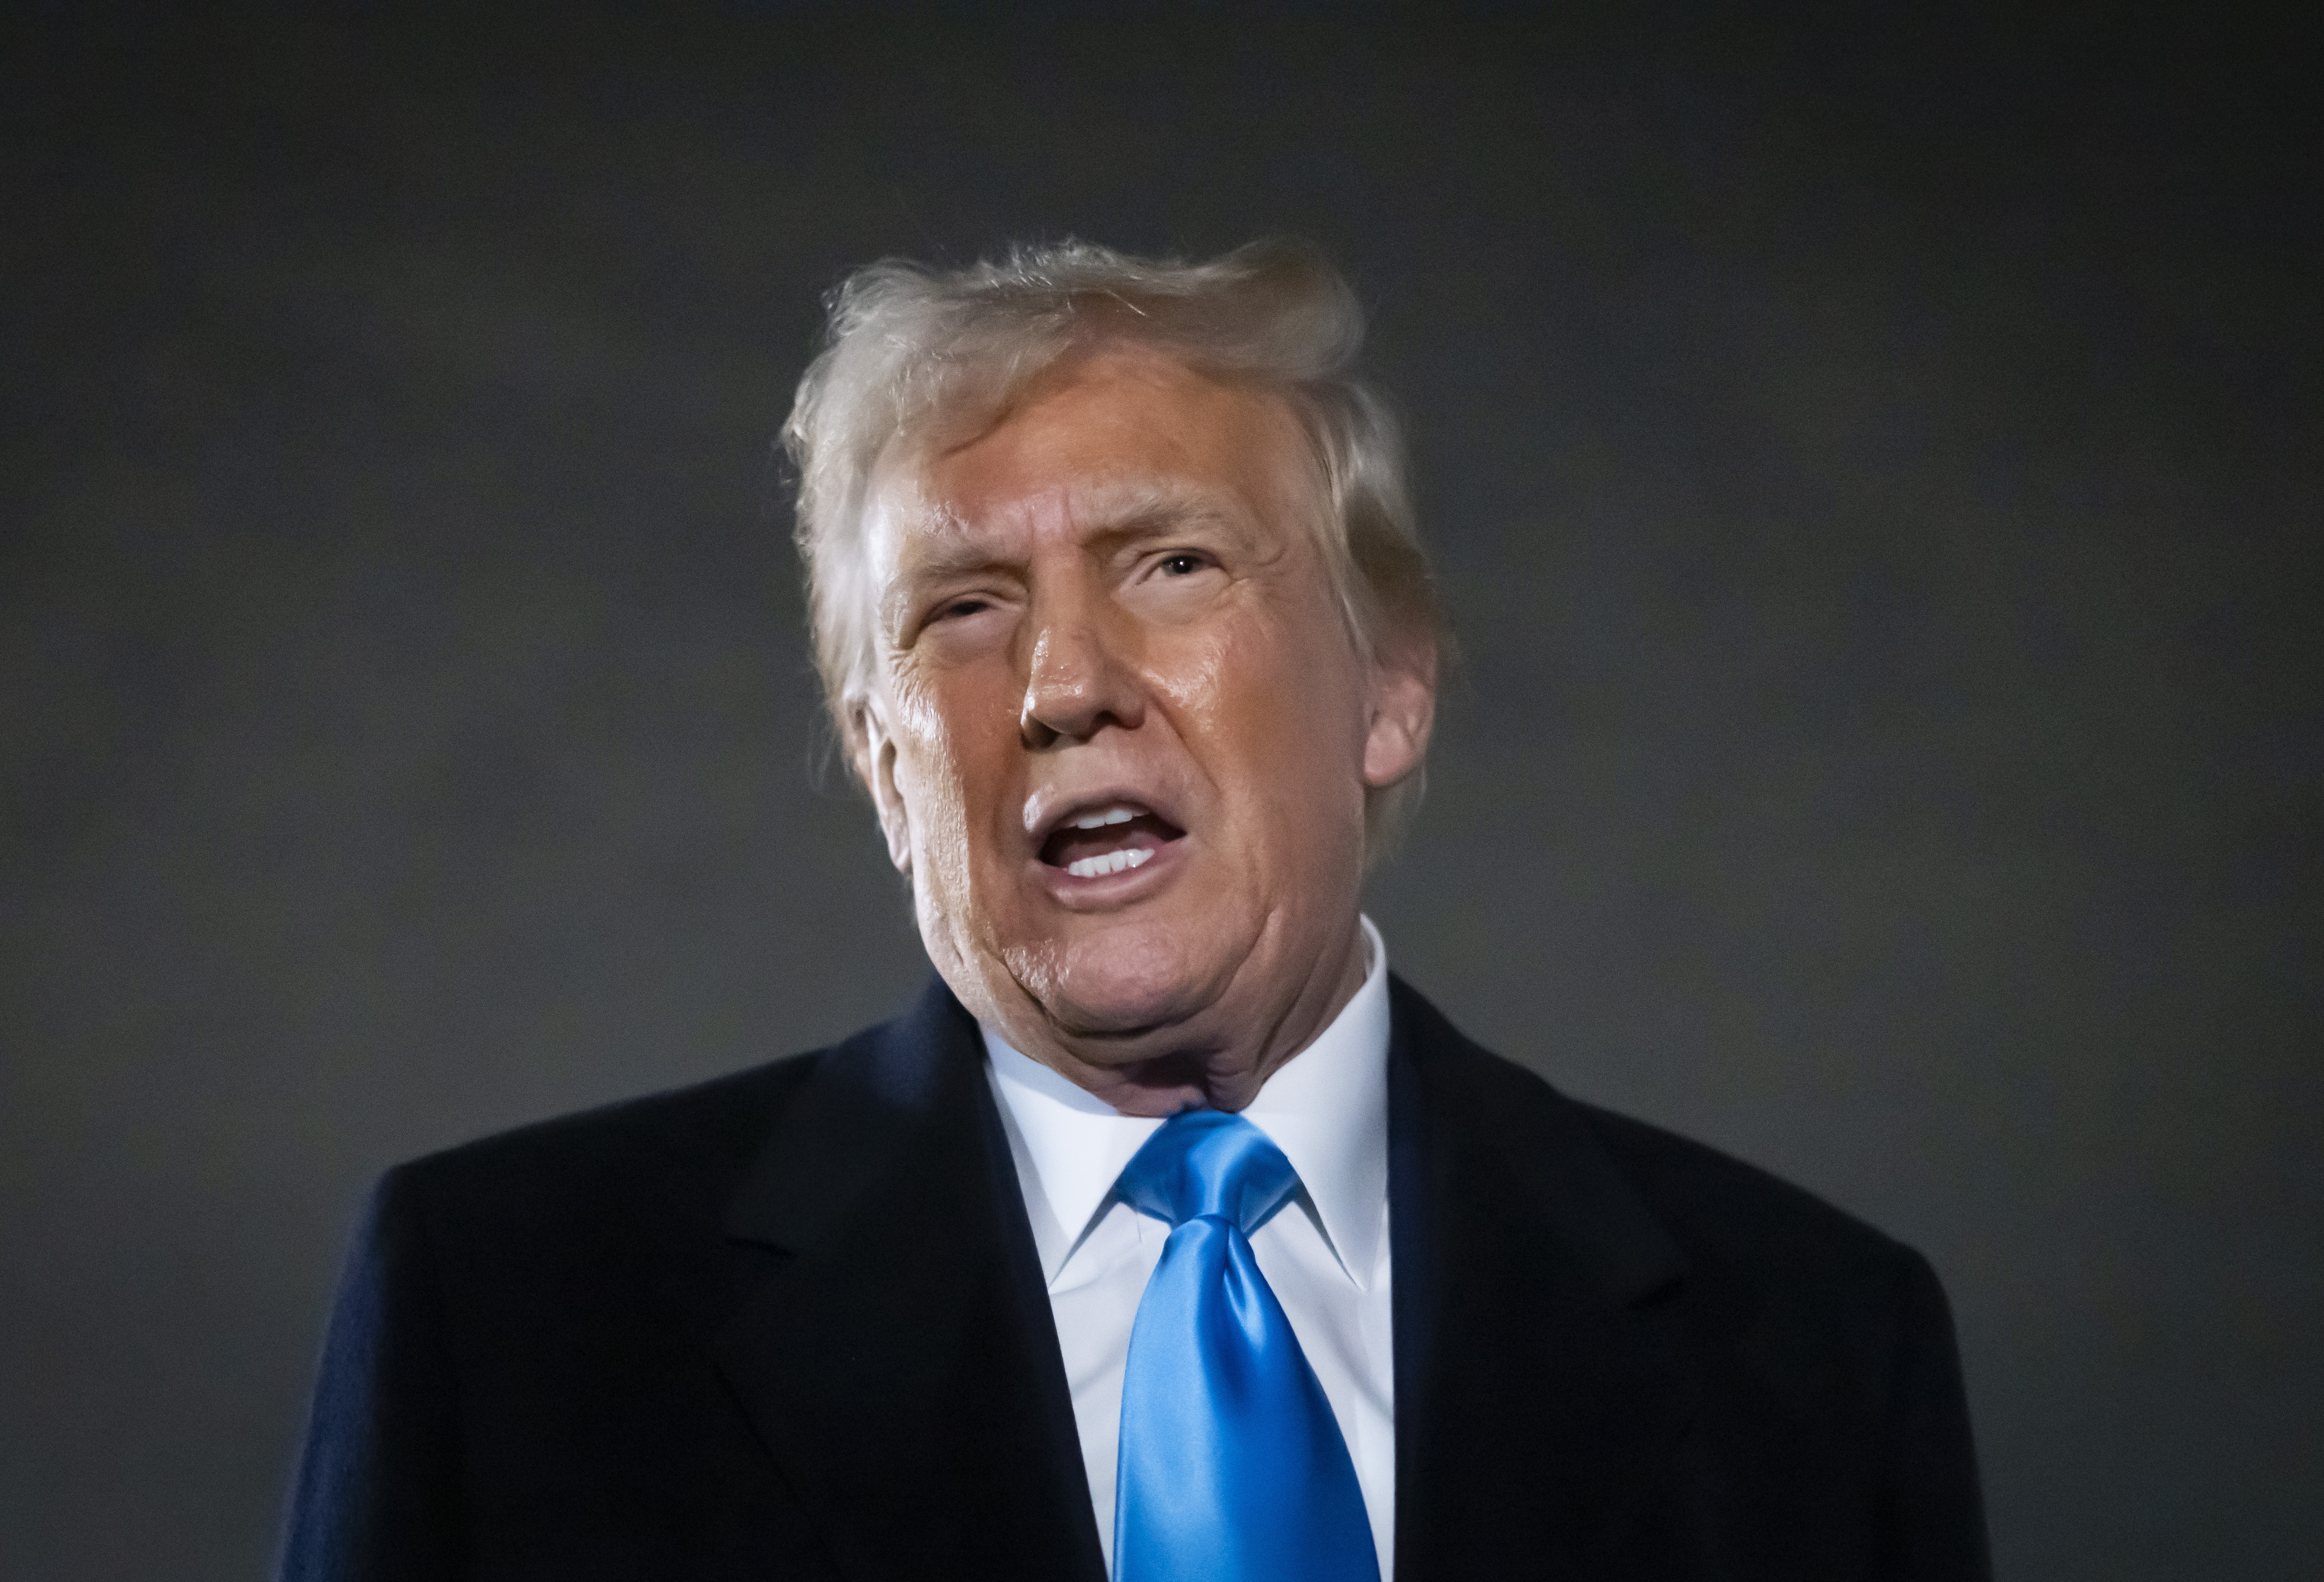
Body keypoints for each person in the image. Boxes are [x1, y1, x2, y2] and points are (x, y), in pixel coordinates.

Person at [275, 239, 1990, 1581]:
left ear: (1390, 686)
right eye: (961, 608)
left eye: (1171, 564)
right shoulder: (509, 1311)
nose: (1062, 683)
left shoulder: (1816, 1342)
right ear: (884, 766)